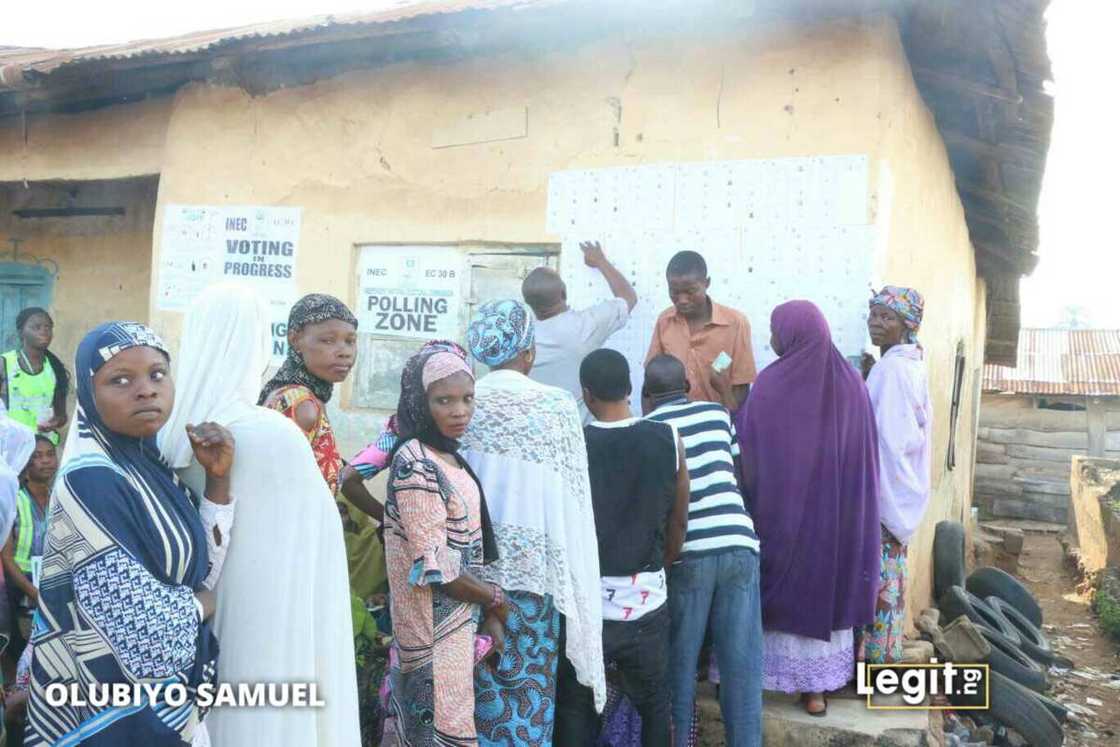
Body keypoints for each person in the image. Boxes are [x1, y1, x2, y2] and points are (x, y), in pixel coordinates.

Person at [158, 284, 360, 747]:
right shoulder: (273, 431)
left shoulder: (168, 430)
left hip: (196, 606)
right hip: (274, 607)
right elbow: (321, 534)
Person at [25, 321, 234, 746]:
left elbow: (199, 570)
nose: (146, 390)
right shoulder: (91, 481)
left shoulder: (153, 472)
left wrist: (217, 482)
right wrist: (203, 604)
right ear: (88, 394)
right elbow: (144, 633)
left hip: (166, 704)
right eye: (120, 380)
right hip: (109, 711)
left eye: (158, 374)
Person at [460, 299, 606, 745]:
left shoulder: (458, 399)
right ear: (529, 351)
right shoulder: (557, 407)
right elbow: (574, 504)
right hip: (531, 583)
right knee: (527, 703)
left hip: (464, 581)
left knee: (467, 696)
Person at [736, 301, 880, 717]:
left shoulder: (771, 384)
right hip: (833, 521)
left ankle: (760, 684)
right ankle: (815, 692)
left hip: (778, 516)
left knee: (775, 598)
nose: (770, 339)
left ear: (792, 333)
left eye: (774, 330)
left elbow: (748, 446)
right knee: (823, 594)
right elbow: (863, 459)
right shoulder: (851, 384)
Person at [555, 348, 690, 747]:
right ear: (632, 388)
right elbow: (678, 520)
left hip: (587, 604)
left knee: (577, 705)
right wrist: (658, 567)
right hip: (645, 599)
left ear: (586, 394)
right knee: (653, 705)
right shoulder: (668, 437)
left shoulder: (574, 446)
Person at [381, 343, 507, 745]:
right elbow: (437, 565)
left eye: (467, 399)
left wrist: (486, 609)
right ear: (421, 402)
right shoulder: (416, 462)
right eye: (444, 400)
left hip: (455, 625)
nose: (459, 411)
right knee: (437, 728)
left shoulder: (448, 455)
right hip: (430, 629)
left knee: (448, 723)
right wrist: (494, 599)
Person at [644, 354, 762, 747]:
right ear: (688, 388)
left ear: (647, 395)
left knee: (680, 661)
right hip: (739, 543)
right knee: (741, 663)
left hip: (689, 552)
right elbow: (739, 475)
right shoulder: (717, 414)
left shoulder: (650, 429)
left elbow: (659, 504)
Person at [259, 294, 385, 601]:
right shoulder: (302, 405)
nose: (344, 352)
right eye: (328, 341)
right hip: (298, 550)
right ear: (295, 340)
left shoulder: (297, 393)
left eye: (350, 341)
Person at [860, 286, 933, 664]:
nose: (876, 322)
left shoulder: (891, 370)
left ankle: (872, 667)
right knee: (889, 582)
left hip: (885, 493)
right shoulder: (908, 364)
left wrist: (874, 494)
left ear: (907, 325)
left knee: (878, 583)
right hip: (900, 492)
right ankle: (881, 662)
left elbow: (887, 440)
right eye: (873, 314)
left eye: (886, 317)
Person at [522, 241, 637, 423]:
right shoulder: (586, 326)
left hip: (540, 438)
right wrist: (601, 261)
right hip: (583, 437)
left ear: (528, 302)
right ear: (564, 292)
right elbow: (628, 297)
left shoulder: (521, 342)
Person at [645, 252, 755, 413]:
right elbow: (650, 381)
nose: (682, 300)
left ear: (707, 283)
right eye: (674, 292)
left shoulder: (736, 323)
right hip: (675, 425)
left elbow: (741, 387)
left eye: (690, 291)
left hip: (718, 424)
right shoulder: (664, 321)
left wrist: (725, 421)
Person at [2, 434, 55, 662]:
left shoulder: (60, 496)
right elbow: (6, 556)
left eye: (50, 454)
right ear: (26, 461)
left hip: (50, 580)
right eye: (37, 456)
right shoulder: (15, 498)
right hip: (19, 584)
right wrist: (32, 591)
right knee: (17, 646)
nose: (45, 461)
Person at [0, 308, 71, 444]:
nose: (44, 331)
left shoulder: (56, 368)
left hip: (42, 448)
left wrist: (55, 422)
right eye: (36, 327)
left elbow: (62, 415)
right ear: (21, 333)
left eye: (48, 327)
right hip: (9, 446)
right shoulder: (4, 364)